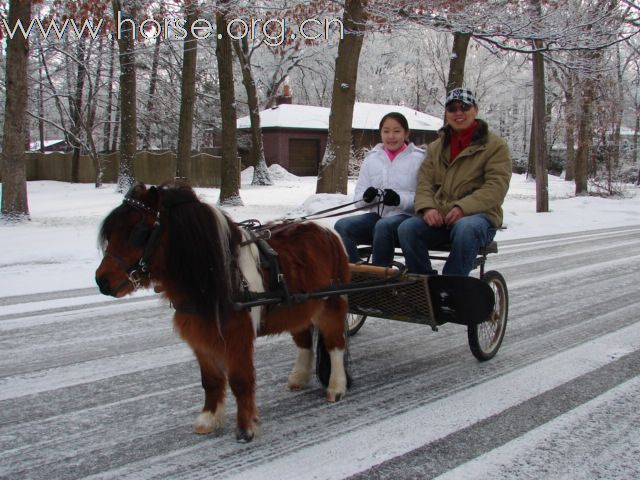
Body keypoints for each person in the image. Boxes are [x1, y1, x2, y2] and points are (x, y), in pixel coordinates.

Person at [398, 88, 511, 276]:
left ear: (475, 109)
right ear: (446, 113)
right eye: (452, 108)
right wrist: (428, 208)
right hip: (442, 216)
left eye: (464, 107)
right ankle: (424, 286)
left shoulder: (495, 146)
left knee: (466, 228)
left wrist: (462, 208)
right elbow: (424, 182)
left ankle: (451, 288)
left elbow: (496, 187)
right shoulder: (436, 147)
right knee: (407, 228)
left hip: (479, 218)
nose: (458, 113)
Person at [335, 112, 425, 266]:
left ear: (406, 133)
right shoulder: (372, 159)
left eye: (397, 131)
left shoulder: (419, 159)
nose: (391, 136)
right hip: (378, 216)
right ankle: (357, 272)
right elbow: (358, 200)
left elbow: (425, 198)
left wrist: (399, 200)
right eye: (386, 131)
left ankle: (381, 275)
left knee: (383, 226)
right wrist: (367, 198)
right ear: (380, 133)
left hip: (407, 217)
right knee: (342, 226)